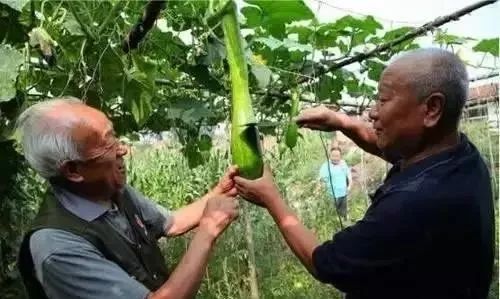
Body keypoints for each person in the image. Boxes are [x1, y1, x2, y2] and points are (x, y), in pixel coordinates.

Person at [234, 48, 494, 299]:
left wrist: (272, 199)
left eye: (383, 100)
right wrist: (344, 122)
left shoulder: (413, 204)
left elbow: (324, 263)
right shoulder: (461, 156)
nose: (372, 112)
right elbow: (394, 152)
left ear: (431, 109)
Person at [16, 97, 239, 299]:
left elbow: (172, 223)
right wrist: (208, 231)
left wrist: (218, 191)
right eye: (107, 144)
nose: (122, 149)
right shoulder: (58, 248)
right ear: (73, 170)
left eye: (114, 136)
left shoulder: (110, 191)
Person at [318, 147, 352, 220]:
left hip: (343, 194)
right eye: (333, 156)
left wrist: (349, 185)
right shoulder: (325, 166)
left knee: (343, 215)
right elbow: (321, 180)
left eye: (337, 156)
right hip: (332, 196)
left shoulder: (343, 163)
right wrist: (322, 191)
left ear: (340, 156)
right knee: (333, 216)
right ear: (330, 156)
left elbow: (348, 174)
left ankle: (344, 225)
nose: (335, 158)